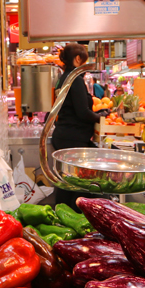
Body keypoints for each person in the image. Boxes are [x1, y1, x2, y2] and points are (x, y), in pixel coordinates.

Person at [52, 43, 102, 207]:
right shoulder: (75, 79)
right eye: (85, 61)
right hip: (73, 139)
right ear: (78, 58)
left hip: (64, 136)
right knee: (74, 186)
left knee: (66, 183)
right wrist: (100, 118)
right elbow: (82, 112)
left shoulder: (63, 78)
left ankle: (61, 215)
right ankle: (72, 215)